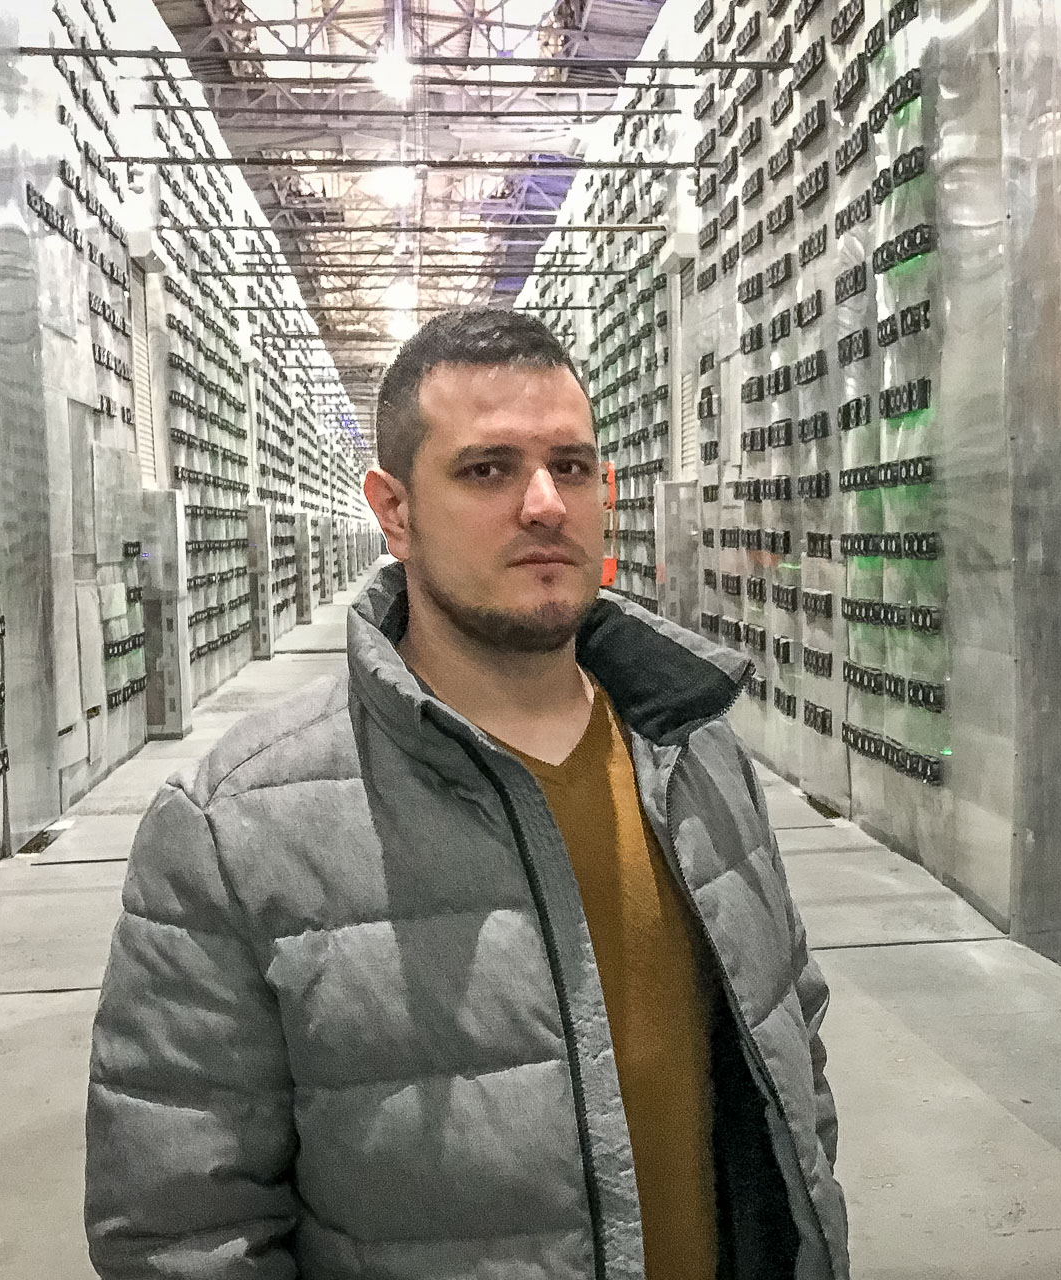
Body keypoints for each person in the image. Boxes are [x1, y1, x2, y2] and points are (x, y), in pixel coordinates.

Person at [84, 308, 849, 1280]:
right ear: (393, 510)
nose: (545, 504)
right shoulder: (232, 828)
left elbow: (792, 1054)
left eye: (571, 466)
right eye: (488, 469)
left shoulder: (698, 752)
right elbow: (183, 1229)